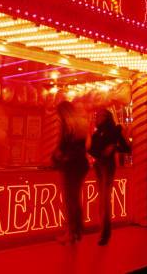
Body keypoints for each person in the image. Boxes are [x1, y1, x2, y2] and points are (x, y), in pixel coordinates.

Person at [89, 109, 131, 246]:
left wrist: (114, 147)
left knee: (105, 200)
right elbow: (93, 151)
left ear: (107, 117)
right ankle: (103, 230)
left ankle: (105, 233)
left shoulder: (115, 130)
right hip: (98, 166)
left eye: (100, 115)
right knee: (102, 199)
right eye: (97, 115)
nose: (98, 117)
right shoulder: (96, 133)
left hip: (107, 166)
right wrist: (89, 146)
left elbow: (127, 148)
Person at [52, 101, 89, 245]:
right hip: (81, 164)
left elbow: (60, 149)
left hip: (70, 165)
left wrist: (55, 157)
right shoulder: (81, 123)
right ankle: (77, 232)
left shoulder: (66, 126)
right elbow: (85, 146)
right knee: (75, 199)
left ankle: (70, 234)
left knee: (69, 200)